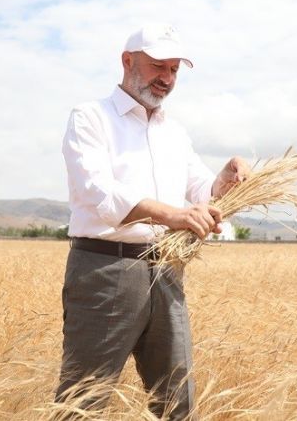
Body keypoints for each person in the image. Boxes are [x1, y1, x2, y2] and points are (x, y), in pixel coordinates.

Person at [56, 23, 250, 419]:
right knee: (82, 403)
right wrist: (172, 214)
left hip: (166, 270)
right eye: (158, 66)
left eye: (174, 70)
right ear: (128, 62)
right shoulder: (91, 118)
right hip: (107, 269)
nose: (166, 78)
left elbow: (202, 190)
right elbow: (99, 193)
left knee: (177, 400)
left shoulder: (174, 132)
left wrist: (225, 180)